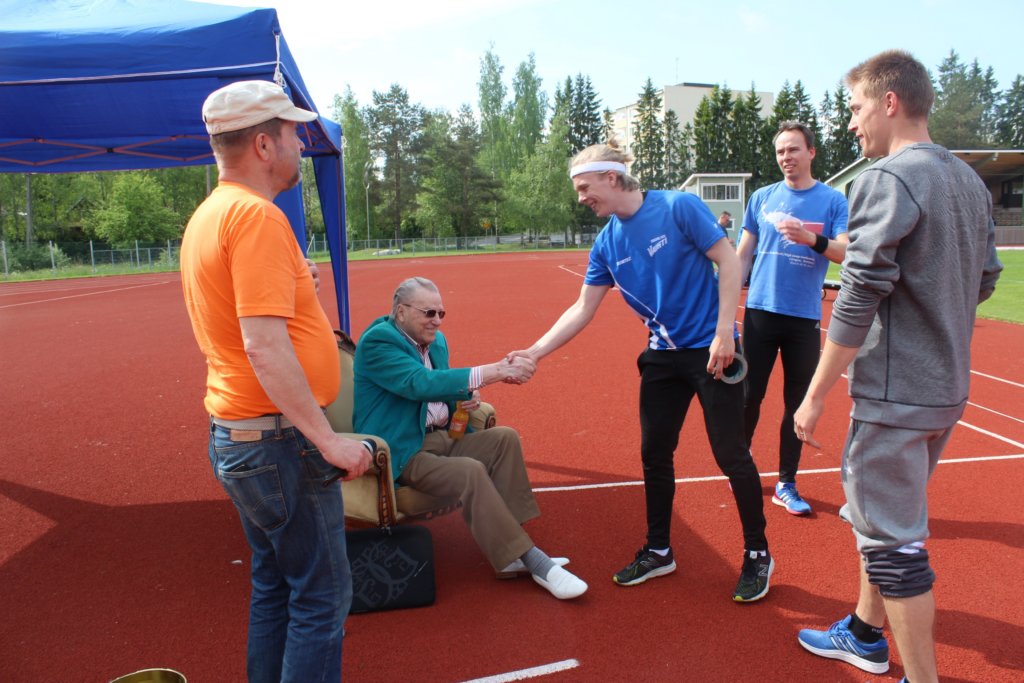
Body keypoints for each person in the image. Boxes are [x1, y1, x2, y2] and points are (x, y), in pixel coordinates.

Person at [792, 51, 1002, 683]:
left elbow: (858, 294)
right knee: (879, 520)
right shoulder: (967, 180)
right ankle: (863, 633)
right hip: (945, 388)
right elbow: (985, 279)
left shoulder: (884, 179)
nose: (852, 124)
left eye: (856, 109)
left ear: (889, 103)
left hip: (896, 392)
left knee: (891, 542)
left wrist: (815, 393)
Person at [510, 142, 772, 603]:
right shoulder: (607, 242)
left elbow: (729, 261)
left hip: (713, 351)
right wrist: (534, 351)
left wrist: (725, 333)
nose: (580, 198)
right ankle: (658, 549)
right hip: (662, 358)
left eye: (583, 187)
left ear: (611, 177)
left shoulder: (678, 206)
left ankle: (757, 553)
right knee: (654, 454)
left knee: (731, 455)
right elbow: (582, 307)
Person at [180, 80, 372, 683]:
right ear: (264, 144)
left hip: (244, 436)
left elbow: (255, 324)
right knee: (321, 599)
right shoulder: (255, 217)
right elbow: (264, 347)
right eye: (292, 133)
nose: (300, 143)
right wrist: (329, 439)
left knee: (275, 589)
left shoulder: (214, 214)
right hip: (279, 441)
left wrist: (299, 292)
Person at [352, 277, 588, 600]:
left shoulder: (436, 342)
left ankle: (514, 548)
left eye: (441, 313)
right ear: (401, 311)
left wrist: (465, 398)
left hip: (442, 435)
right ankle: (534, 561)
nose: (436, 320)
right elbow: (419, 383)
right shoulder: (379, 341)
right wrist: (498, 371)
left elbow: (440, 389)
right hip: (404, 450)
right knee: (470, 470)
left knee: (504, 439)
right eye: (429, 312)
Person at [737, 121, 849, 516]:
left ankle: (787, 481)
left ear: (811, 153)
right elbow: (743, 254)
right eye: (781, 151)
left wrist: (810, 238)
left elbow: (843, 252)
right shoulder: (762, 198)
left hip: (802, 317)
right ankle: (741, 464)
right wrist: (724, 299)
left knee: (796, 402)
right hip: (760, 313)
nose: (787, 157)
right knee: (750, 395)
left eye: (794, 150)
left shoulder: (833, 201)